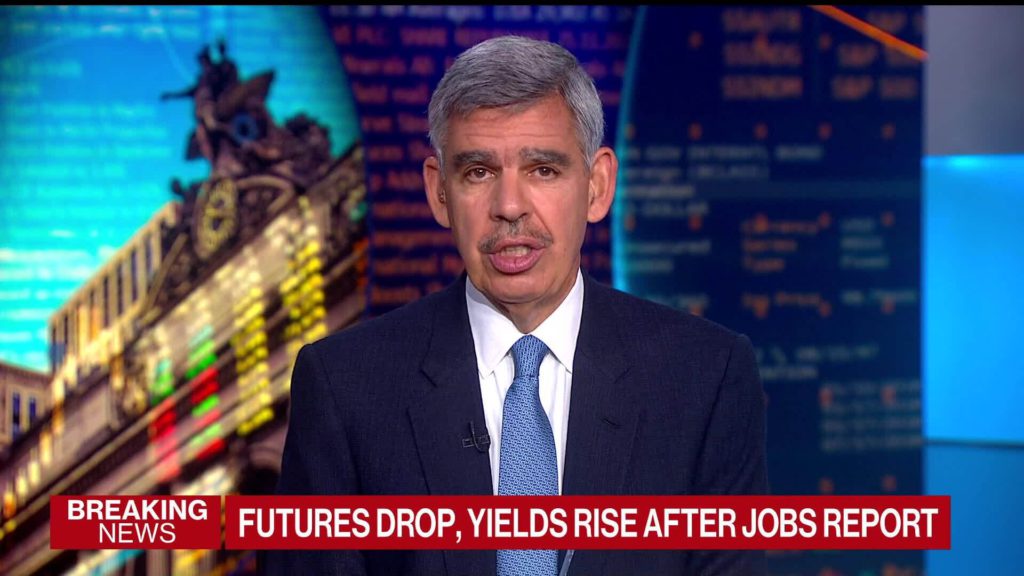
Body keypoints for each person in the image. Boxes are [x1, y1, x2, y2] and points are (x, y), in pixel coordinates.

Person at [269, 35, 767, 576]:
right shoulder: (344, 386)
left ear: (597, 186)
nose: (509, 207)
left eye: (543, 170)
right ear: (439, 193)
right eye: (478, 172)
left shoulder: (705, 377)